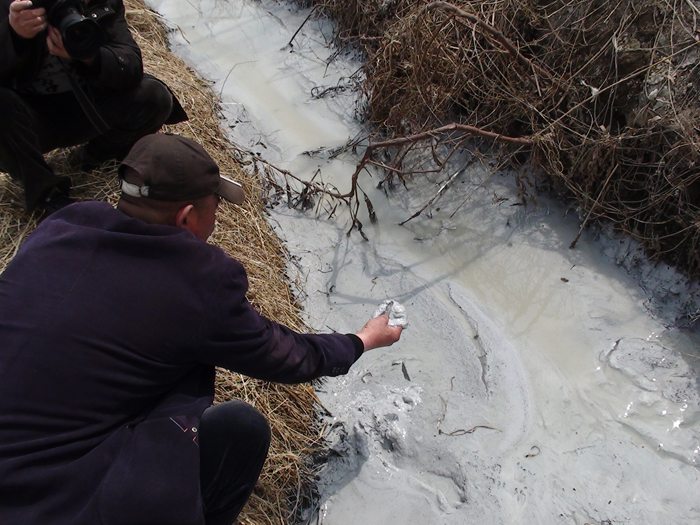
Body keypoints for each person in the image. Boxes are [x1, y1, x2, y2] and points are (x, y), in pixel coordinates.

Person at [0, 133, 403, 525]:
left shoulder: (63, 225)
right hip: (53, 503)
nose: (216, 218)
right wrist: (362, 340)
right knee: (241, 430)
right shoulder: (197, 279)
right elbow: (288, 356)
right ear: (187, 217)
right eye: (215, 209)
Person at [0, 0, 187, 213]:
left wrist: (90, 56)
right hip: (21, 119)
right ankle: (47, 195)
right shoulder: (13, 6)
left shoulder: (102, 2)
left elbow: (131, 66)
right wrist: (13, 35)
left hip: (85, 108)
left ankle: (93, 157)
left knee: (153, 96)